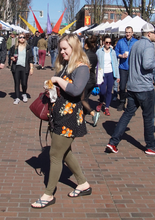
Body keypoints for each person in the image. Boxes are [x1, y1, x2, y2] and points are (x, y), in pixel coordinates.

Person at [31, 34, 91, 209]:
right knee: (64, 152)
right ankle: (83, 184)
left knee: (55, 155)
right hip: (59, 114)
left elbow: (75, 90)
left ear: (74, 48)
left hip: (69, 117)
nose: (62, 52)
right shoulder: (66, 65)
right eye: (61, 49)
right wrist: (52, 89)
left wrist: (57, 80)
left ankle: (48, 194)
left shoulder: (82, 68)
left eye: (65, 49)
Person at [106, 23, 155, 155]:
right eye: (154, 34)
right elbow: (147, 64)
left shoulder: (135, 45)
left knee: (127, 114)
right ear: (149, 34)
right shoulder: (148, 46)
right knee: (149, 117)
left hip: (132, 87)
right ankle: (151, 146)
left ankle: (113, 142)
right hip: (144, 88)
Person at [114, 26, 138, 111]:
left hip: (133, 68)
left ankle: (130, 105)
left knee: (132, 87)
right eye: (126, 32)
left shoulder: (136, 42)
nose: (128, 34)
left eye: (129, 32)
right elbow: (115, 52)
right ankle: (122, 101)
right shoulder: (120, 42)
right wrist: (121, 55)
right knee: (122, 86)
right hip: (123, 67)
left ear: (132, 33)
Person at [96, 35, 119, 117]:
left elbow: (115, 64)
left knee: (109, 91)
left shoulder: (113, 52)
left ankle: (106, 108)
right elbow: (96, 63)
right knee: (102, 91)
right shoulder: (99, 51)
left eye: (110, 42)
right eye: (107, 42)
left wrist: (117, 75)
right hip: (102, 73)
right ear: (103, 42)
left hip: (110, 73)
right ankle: (101, 102)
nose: (108, 44)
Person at [9, 33, 33, 104]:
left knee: (24, 83)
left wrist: (31, 68)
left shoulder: (28, 48)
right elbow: (10, 55)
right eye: (20, 37)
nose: (22, 39)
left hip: (25, 67)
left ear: (25, 39)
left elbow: (30, 59)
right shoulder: (14, 47)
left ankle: (24, 93)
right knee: (17, 82)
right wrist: (12, 58)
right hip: (16, 67)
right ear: (18, 39)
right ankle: (17, 97)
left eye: (23, 37)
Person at [82, 36, 100, 127]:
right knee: (86, 99)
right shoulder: (95, 55)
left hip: (86, 80)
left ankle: (93, 113)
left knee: (82, 99)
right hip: (92, 79)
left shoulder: (84, 55)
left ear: (86, 45)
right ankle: (83, 119)